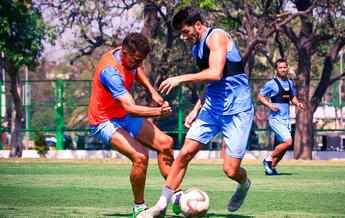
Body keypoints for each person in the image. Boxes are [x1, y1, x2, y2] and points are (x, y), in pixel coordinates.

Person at [138, 6, 253, 217]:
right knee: (184, 154)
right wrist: (197, 108)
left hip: (237, 110)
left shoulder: (217, 37)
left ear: (197, 25)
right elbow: (208, 82)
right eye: (180, 33)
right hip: (211, 109)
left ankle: (244, 184)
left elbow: (216, 73)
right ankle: (160, 206)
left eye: (185, 31)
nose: (183, 37)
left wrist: (180, 78)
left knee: (230, 170)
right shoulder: (195, 49)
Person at [88, 32, 180, 218]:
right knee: (140, 156)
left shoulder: (129, 58)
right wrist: (158, 112)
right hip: (104, 120)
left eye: (142, 60)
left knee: (166, 143)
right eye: (137, 59)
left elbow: (136, 70)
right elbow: (130, 108)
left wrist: (151, 90)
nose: (139, 64)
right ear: (124, 52)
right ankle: (139, 207)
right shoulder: (110, 72)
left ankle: (176, 197)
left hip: (122, 114)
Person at [257, 58, 304, 176]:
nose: (283, 69)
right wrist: (270, 105)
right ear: (276, 69)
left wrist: (297, 103)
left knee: (282, 147)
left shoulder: (290, 83)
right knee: (288, 142)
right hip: (275, 119)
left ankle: (271, 168)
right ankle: (267, 160)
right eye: (280, 67)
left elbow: (292, 97)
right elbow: (260, 97)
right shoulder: (271, 83)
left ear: (287, 68)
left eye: (285, 67)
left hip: (286, 119)